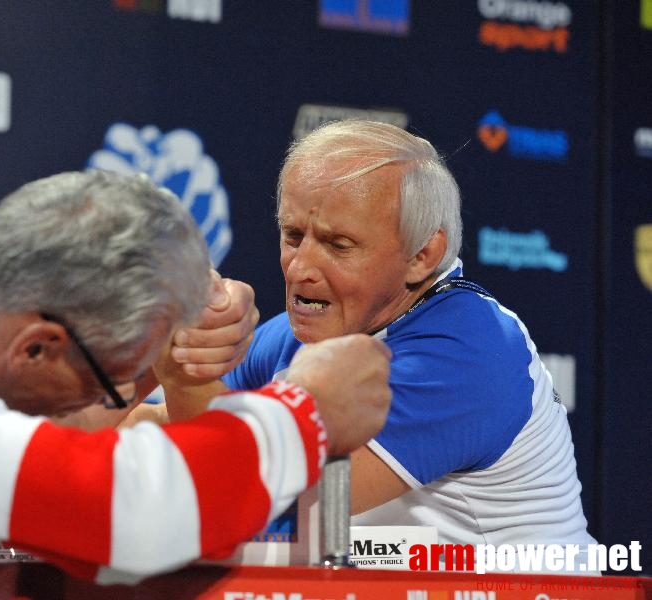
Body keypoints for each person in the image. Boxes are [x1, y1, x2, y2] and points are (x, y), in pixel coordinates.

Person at [0, 169, 391, 600]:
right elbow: (122, 512)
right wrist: (304, 412)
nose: (114, 405)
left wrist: (175, 333)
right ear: (37, 348)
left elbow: (55, 427)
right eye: (117, 386)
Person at [159, 120, 597, 562]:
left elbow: (252, 497)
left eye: (338, 244)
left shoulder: (467, 349)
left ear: (422, 254)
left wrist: (183, 372)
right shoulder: (317, 326)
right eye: (293, 236)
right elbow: (162, 429)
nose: (299, 268)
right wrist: (185, 345)